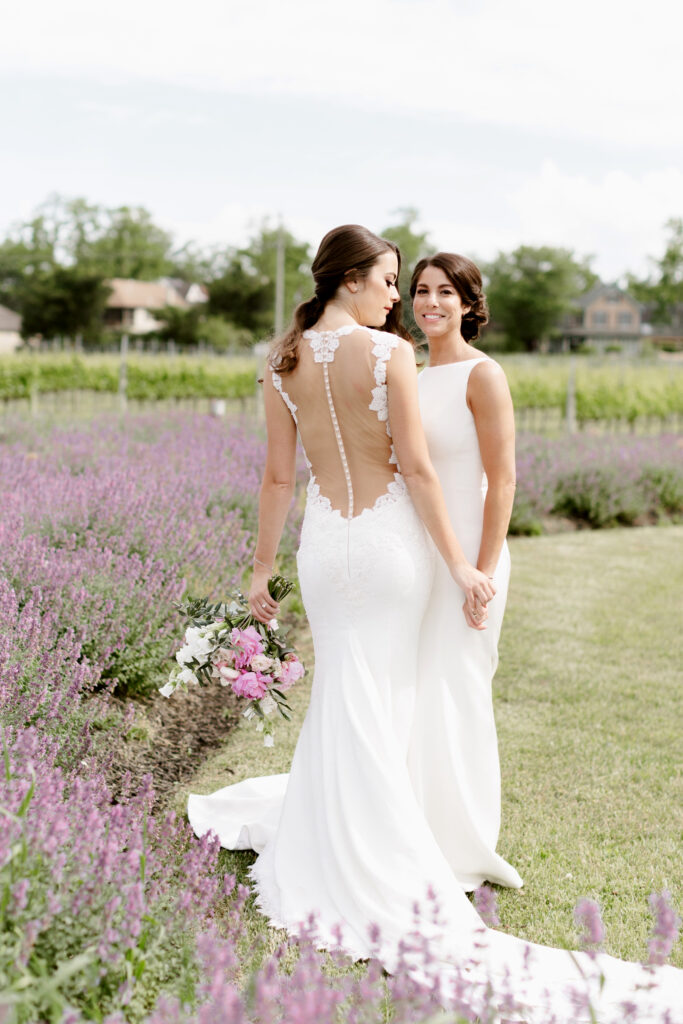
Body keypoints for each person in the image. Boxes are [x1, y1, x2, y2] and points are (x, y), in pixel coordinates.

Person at [188, 225, 682, 1021]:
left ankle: (340, 835)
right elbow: (416, 469)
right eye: (388, 280)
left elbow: (279, 477)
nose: (397, 297)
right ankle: (386, 849)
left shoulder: (279, 360)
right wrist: (459, 564)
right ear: (351, 281)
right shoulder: (387, 356)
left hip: (323, 547)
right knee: (383, 695)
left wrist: (259, 567)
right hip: (387, 545)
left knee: (346, 688)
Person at [408, 253, 523, 892]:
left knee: (459, 689)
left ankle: (466, 843)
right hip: (420, 557)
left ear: (469, 304)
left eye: (445, 292)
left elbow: (502, 479)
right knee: (418, 689)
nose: (430, 303)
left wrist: (480, 574)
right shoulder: (412, 374)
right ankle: (414, 829)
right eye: (421, 291)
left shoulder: (484, 376)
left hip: (473, 557)